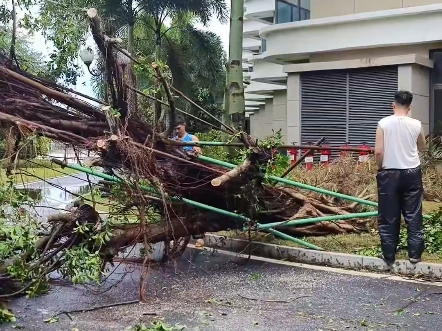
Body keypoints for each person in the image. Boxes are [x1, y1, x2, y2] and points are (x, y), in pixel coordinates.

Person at [375, 90, 427, 267]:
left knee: (389, 215)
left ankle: (389, 256)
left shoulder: (383, 123)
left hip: (389, 173)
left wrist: (380, 167)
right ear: (410, 107)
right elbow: (422, 147)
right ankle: (414, 256)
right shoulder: (416, 124)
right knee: (413, 214)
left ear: (393, 105)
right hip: (412, 172)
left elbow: (379, 151)